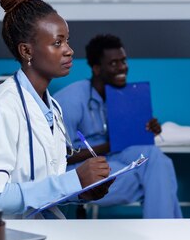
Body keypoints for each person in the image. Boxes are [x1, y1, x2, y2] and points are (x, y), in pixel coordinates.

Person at [0, 0, 112, 220]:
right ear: (26, 50)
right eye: (57, 43)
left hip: (38, 233)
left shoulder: (51, 108)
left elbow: (44, 185)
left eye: (67, 40)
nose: (69, 50)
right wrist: (73, 180)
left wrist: (83, 190)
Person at [54, 34, 182, 218]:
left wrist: (146, 130)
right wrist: (111, 145)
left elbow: (125, 140)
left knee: (155, 157)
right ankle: (168, 235)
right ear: (97, 69)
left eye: (123, 61)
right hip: (79, 168)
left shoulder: (122, 96)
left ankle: (164, 232)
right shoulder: (71, 100)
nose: (122, 67)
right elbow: (58, 159)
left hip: (111, 159)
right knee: (159, 180)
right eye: (114, 63)